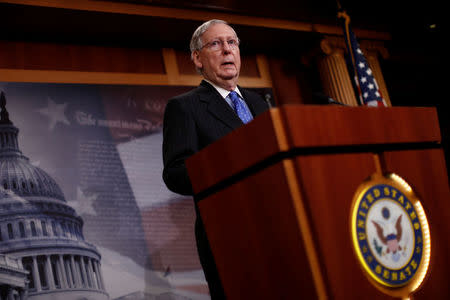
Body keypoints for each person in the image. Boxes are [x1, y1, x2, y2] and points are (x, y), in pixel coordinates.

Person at [162, 19, 269, 299]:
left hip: (277, 224)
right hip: (230, 238)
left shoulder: (260, 103)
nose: (226, 50)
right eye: (216, 44)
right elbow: (175, 173)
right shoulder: (185, 107)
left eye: (232, 43)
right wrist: (230, 163)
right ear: (197, 58)